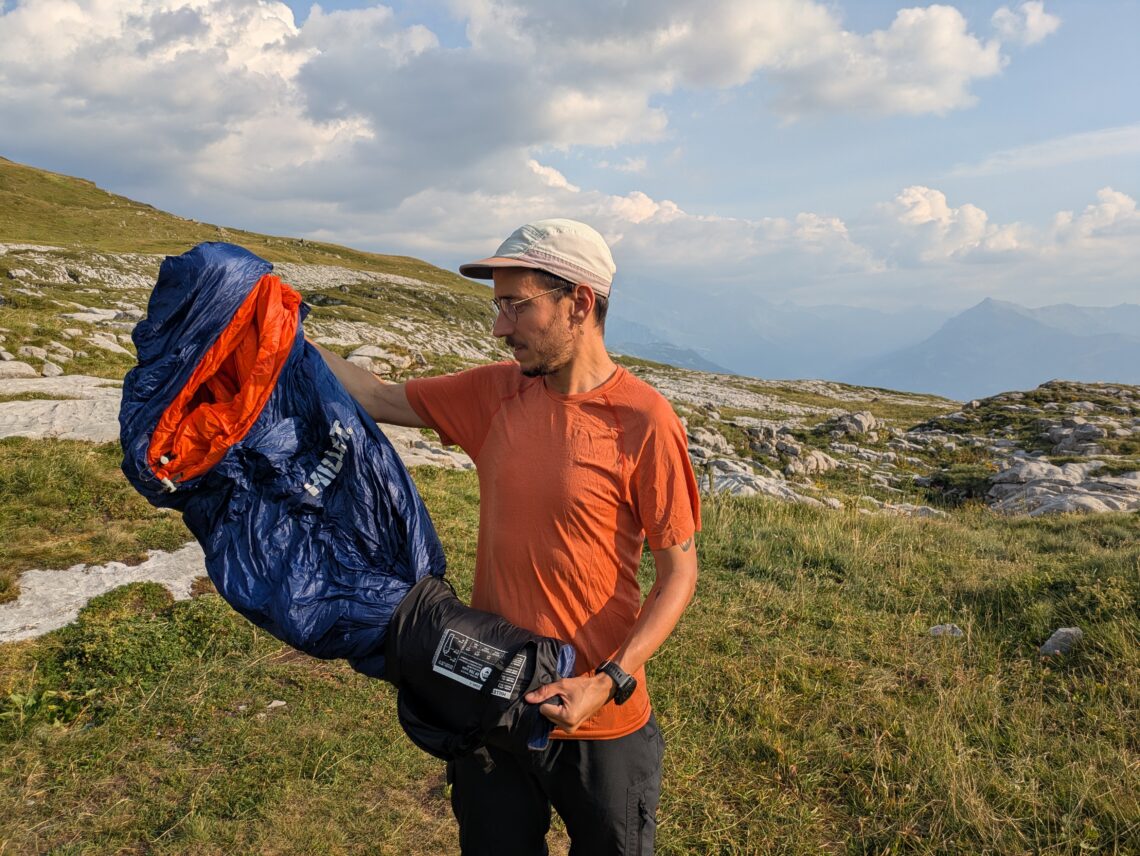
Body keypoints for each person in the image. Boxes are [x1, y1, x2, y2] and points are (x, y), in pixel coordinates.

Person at [315, 218, 700, 855]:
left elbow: (678, 574)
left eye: (517, 306)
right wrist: (278, 331)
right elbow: (378, 397)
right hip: (492, 697)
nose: (500, 326)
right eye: (498, 306)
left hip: (602, 721)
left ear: (579, 303)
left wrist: (606, 681)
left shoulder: (644, 420)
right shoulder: (495, 392)